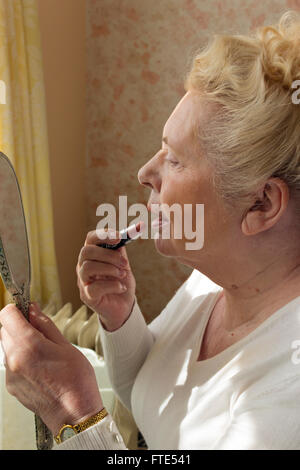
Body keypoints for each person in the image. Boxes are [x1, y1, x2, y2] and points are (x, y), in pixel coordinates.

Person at [1, 11, 300, 450]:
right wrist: (120, 318)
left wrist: (71, 411)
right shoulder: (211, 281)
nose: (144, 173)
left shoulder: (286, 396)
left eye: (175, 159)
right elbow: (153, 399)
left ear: (261, 204)